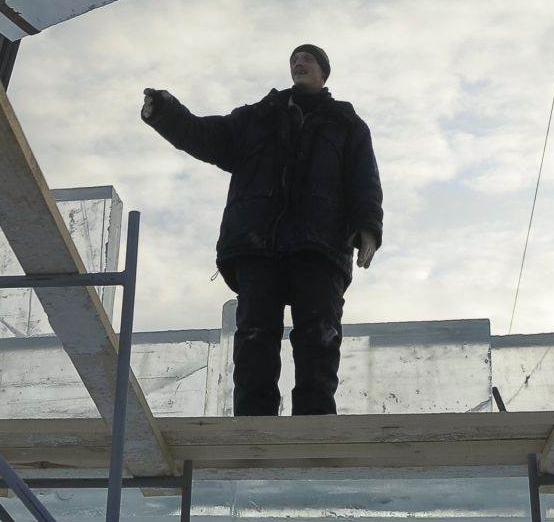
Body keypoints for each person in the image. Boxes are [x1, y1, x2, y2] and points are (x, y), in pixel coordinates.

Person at [141, 43, 383, 415]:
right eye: (293, 60)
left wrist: (367, 226)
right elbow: (206, 135)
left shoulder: (348, 125)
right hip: (257, 243)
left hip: (320, 244)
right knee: (255, 334)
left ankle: (315, 421)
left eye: (307, 59)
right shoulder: (256, 118)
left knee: (319, 334)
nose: (298, 63)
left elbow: (364, 180)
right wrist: (167, 113)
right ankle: (253, 420)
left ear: (323, 72)